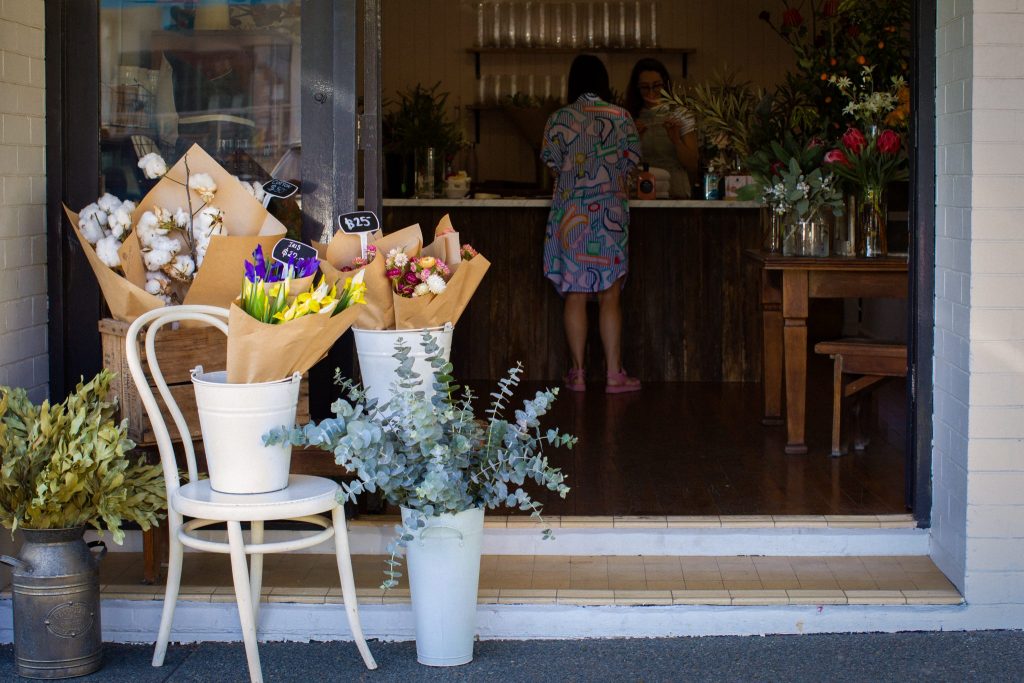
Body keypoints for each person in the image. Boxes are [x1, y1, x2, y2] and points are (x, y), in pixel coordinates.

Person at [541, 55, 642, 394]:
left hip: (572, 215)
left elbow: (553, 166)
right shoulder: (623, 117)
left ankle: (579, 373)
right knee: (610, 293)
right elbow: (631, 165)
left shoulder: (558, 119)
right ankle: (614, 375)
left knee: (576, 294)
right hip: (610, 215)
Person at [624, 58, 698, 199]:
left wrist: (676, 140)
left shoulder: (680, 113)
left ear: (666, 85)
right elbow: (621, 165)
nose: (651, 92)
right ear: (636, 88)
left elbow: (692, 165)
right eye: (645, 87)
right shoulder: (628, 117)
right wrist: (635, 139)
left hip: (676, 194)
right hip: (640, 195)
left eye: (657, 86)